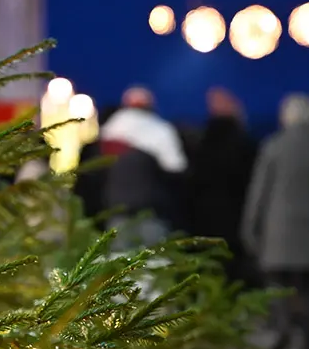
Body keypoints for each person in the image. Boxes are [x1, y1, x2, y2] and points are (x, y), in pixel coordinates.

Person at [241, 93, 309, 349]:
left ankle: (283, 328)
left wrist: (250, 228)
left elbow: (259, 193)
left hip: (279, 228)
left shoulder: (273, 146)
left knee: (277, 282)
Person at [99, 87, 188, 250]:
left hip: (117, 211)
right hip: (152, 213)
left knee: (118, 266)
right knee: (152, 265)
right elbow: (176, 168)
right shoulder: (161, 130)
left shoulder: (109, 130)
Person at [188, 88, 257, 284]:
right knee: (234, 273)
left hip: (204, 221)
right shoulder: (244, 144)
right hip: (236, 220)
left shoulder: (201, 144)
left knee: (209, 272)